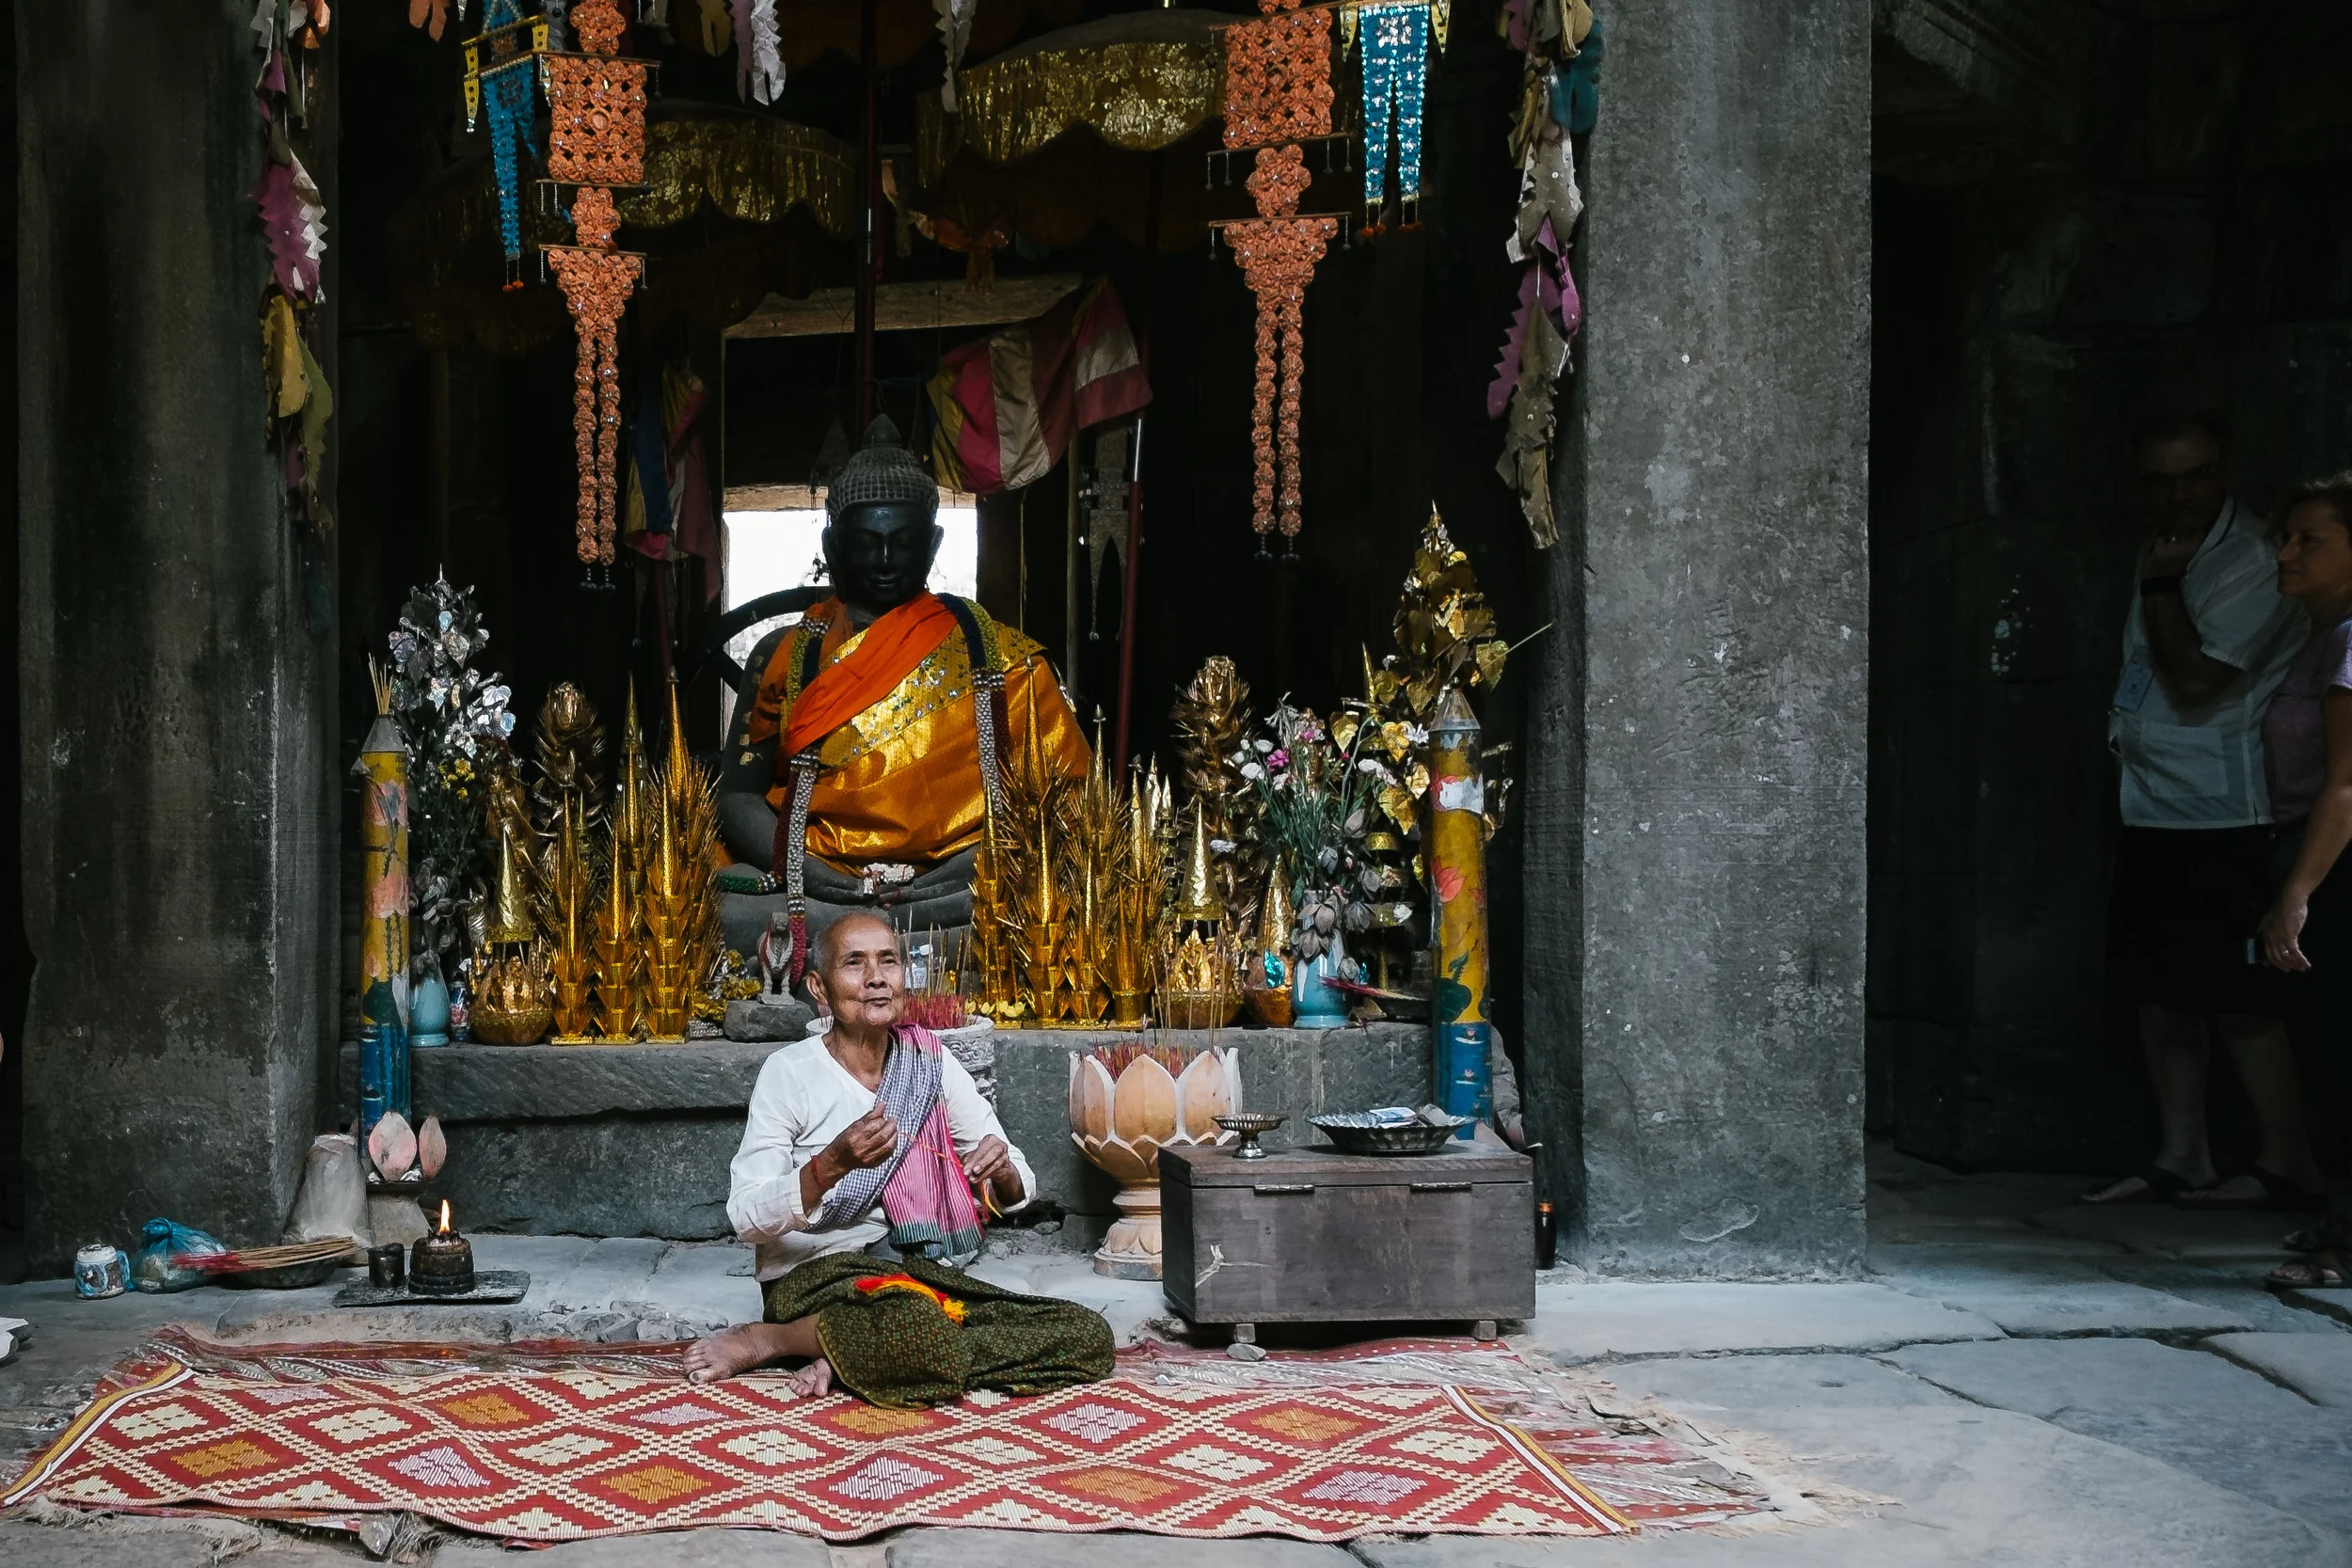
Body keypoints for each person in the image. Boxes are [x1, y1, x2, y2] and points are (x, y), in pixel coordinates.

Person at [683, 911, 1114, 1403]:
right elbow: (746, 1217)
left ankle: (844, 1354)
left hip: (909, 1274)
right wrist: (831, 1166)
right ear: (820, 989)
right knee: (915, 1322)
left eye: (888, 961)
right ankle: (770, 1339)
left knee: (1085, 1333)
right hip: (814, 1279)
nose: (875, 978)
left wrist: (1005, 1174)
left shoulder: (928, 1060)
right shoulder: (789, 1074)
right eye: (854, 963)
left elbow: (1013, 1184)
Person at [710, 417, 1089, 958]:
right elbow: (740, 794)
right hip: (814, 888)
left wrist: (970, 867)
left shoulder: (1004, 661)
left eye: (904, 542)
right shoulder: (785, 656)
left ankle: (861, 946)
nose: (886, 561)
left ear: (933, 543)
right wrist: (808, 871)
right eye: (867, 543)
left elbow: (1064, 808)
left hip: (954, 890)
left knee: (1048, 902)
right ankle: (872, 942)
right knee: (718, 911)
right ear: (833, 545)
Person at [2083, 414, 2324, 1211]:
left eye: (2197, 475)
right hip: (2153, 800)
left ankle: (2286, 1157)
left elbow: (2194, 678)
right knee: (2161, 987)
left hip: (2225, 806)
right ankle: (2183, 1151)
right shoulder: (2166, 547)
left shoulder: (2251, 557)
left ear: (2225, 472)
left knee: (2238, 995)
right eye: (2162, 479)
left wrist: (2158, 586)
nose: (2179, 494)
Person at [2254, 477, 2352, 1289]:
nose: (2286, 552)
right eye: (2286, 537)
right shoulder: (2320, 638)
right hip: (2310, 852)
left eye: (2308, 539)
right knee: (2322, 1048)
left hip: (2336, 863)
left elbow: (2348, 785)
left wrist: (2298, 892)